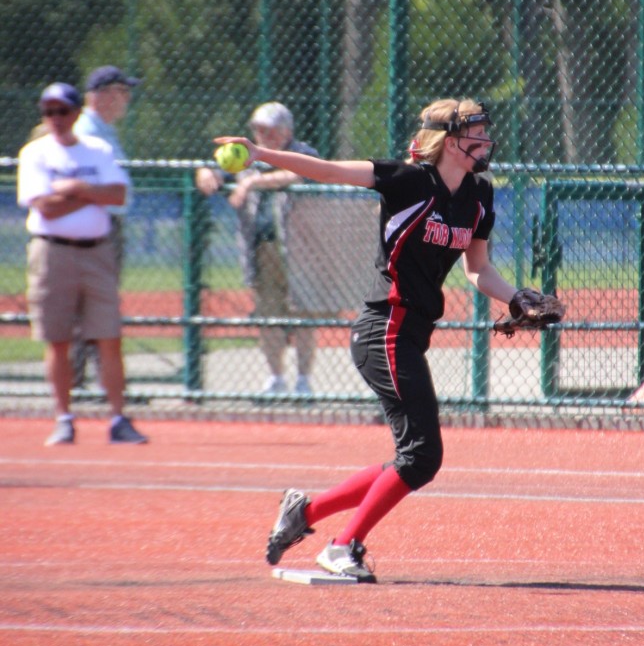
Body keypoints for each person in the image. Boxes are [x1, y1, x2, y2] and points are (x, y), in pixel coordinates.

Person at [215, 97, 520, 582]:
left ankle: (305, 513)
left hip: (411, 334)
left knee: (414, 456)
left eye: (485, 132)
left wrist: (517, 298)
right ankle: (341, 548)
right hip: (384, 329)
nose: (485, 141)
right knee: (421, 456)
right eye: (475, 133)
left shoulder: (479, 194)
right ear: (448, 139)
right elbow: (327, 170)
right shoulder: (408, 181)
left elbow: (478, 270)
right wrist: (260, 154)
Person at [16, 81, 148, 447]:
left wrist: (73, 188)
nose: (55, 118)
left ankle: (119, 420)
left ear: (75, 113)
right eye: (49, 111)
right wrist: (90, 195)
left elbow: (118, 195)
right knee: (57, 339)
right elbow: (44, 206)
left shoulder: (98, 149)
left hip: (97, 250)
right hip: (51, 251)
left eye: (62, 110)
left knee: (108, 336)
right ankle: (64, 419)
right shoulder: (35, 153)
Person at [196, 101, 319, 395]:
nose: (263, 134)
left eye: (269, 129)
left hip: (299, 248)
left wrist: (252, 184)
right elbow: (212, 171)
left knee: (302, 314)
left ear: (286, 130)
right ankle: (276, 377)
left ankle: (303, 380)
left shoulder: (302, 152)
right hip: (260, 248)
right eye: (257, 129)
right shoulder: (244, 154)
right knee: (267, 314)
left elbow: (297, 174)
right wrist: (204, 173)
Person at [71, 65, 141, 387]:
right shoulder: (87, 130)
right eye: (121, 91)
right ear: (100, 96)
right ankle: (82, 380)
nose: (127, 98)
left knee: (99, 302)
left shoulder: (104, 130)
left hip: (106, 223)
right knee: (91, 302)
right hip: (97, 225)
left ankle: (97, 379)